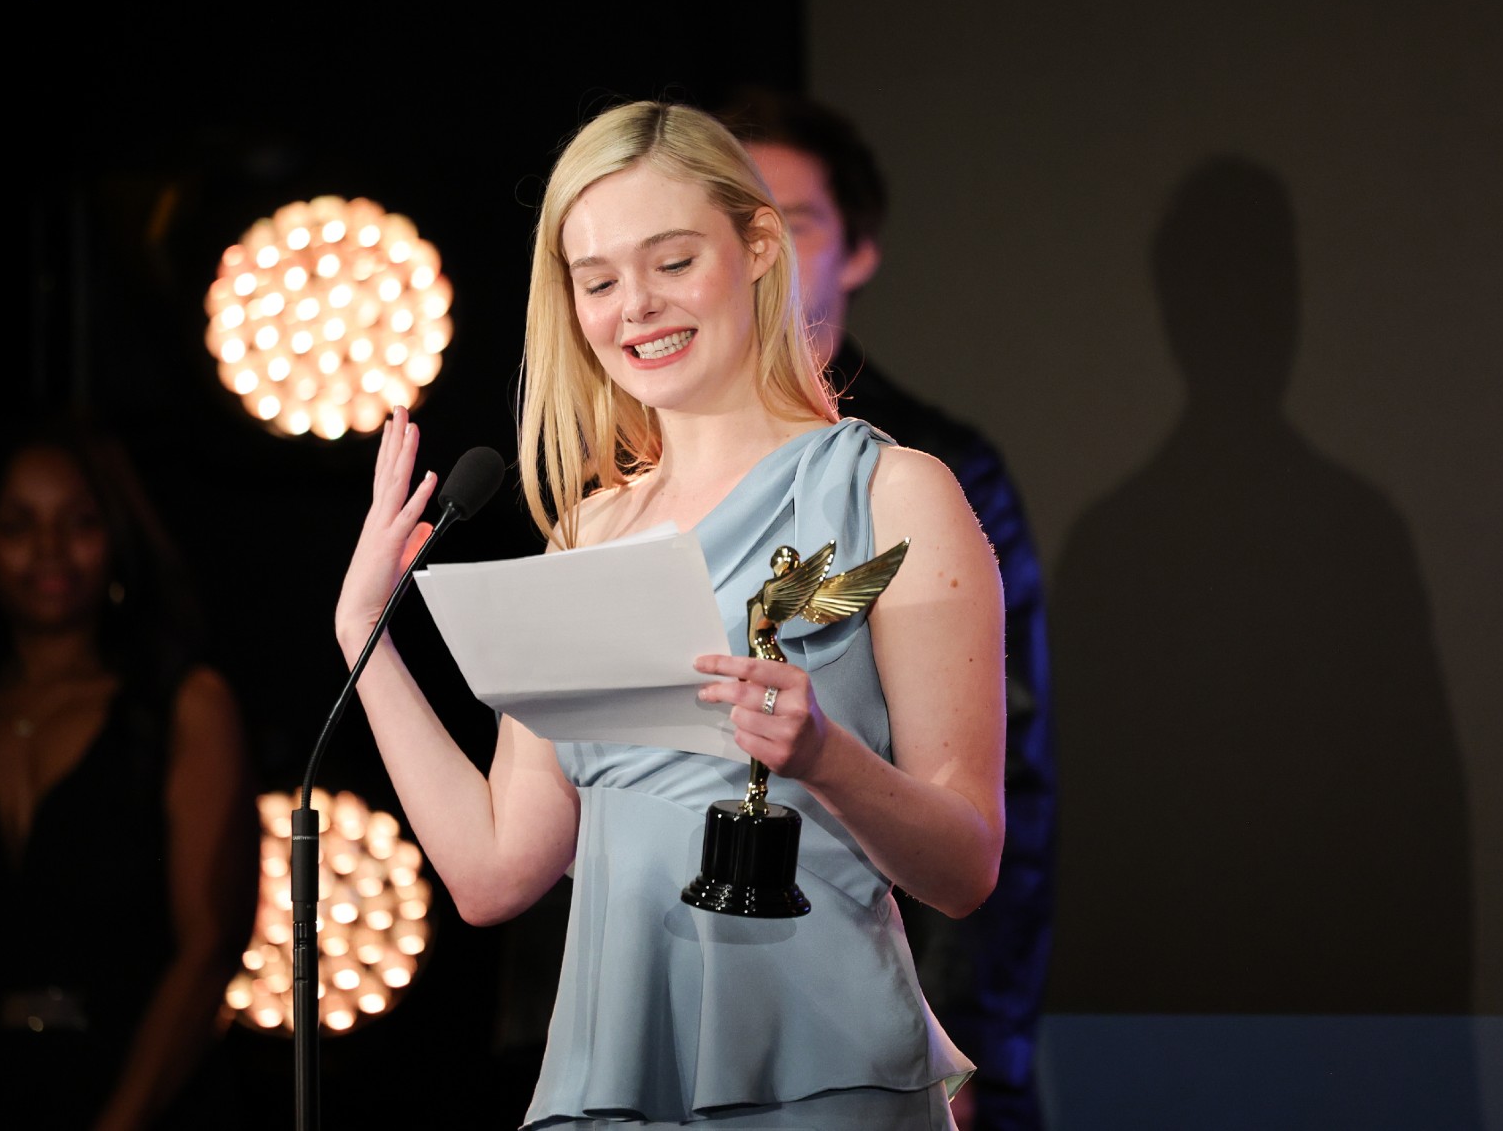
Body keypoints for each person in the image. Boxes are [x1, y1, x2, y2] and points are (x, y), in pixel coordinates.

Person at [335, 99, 1006, 1130]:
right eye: (598, 281)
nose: (636, 307)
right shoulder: (584, 537)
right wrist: (364, 637)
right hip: (617, 1080)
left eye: (673, 261)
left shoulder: (891, 493)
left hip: (821, 1071)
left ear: (759, 245)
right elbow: (494, 870)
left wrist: (825, 757)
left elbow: (965, 868)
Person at [718, 88, 1058, 1131]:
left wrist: (969, 1039)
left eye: (795, 221)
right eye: (736, 223)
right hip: (682, 992)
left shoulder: (928, 470)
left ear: (858, 250)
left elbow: (1000, 774)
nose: (764, 254)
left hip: (871, 1001)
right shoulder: (634, 470)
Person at [0, 410, 260, 1130]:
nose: (49, 549)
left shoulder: (186, 709)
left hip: (139, 1096)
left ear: (117, 538)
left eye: (78, 522)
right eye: (17, 525)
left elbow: (209, 947)